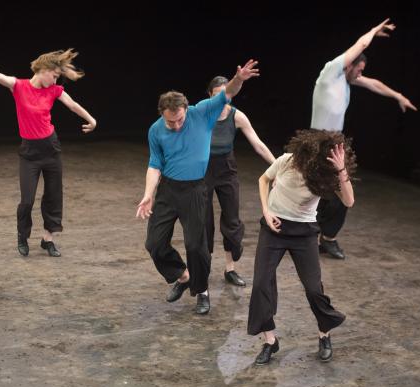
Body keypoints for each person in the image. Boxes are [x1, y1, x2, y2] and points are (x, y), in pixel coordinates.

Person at [136, 60, 259, 315]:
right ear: (162, 114)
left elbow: (228, 93)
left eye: (180, 119)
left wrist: (239, 79)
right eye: (171, 122)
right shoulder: (155, 130)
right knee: (154, 243)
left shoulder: (202, 112)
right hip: (168, 190)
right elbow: (155, 164)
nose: (177, 125)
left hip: (194, 190)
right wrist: (148, 194)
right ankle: (183, 276)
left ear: (186, 109)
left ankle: (202, 291)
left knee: (196, 245)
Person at [0, 49, 97, 257]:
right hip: (30, 153)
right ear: (43, 70)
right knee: (27, 200)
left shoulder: (54, 90)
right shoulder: (18, 86)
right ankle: (22, 235)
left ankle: (48, 239)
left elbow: (72, 105)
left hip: (51, 149)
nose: (55, 81)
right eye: (54, 76)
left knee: (53, 196)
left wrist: (92, 120)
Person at [247, 129, 356, 365]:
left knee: (314, 289)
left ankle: (324, 334)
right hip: (274, 228)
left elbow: (349, 201)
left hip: (304, 233)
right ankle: (270, 341)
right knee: (261, 284)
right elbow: (264, 179)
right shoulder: (287, 161)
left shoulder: (325, 175)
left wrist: (341, 170)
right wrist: (266, 211)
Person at [311, 18, 417, 259]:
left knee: (340, 192)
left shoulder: (347, 80)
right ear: (349, 65)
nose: (360, 74)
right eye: (358, 69)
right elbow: (360, 45)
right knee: (316, 191)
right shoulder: (331, 72)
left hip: (335, 143)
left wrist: (398, 96)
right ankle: (314, 236)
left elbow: (375, 84)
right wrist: (374, 30)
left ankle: (328, 238)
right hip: (316, 141)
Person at [204, 76, 276, 287]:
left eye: (225, 94)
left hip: (226, 169)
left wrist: (278, 166)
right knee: (203, 221)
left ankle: (230, 269)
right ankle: (203, 267)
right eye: (216, 95)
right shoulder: (202, 113)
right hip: (203, 170)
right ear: (209, 96)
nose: (221, 99)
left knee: (232, 220)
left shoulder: (237, 116)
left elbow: (258, 145)